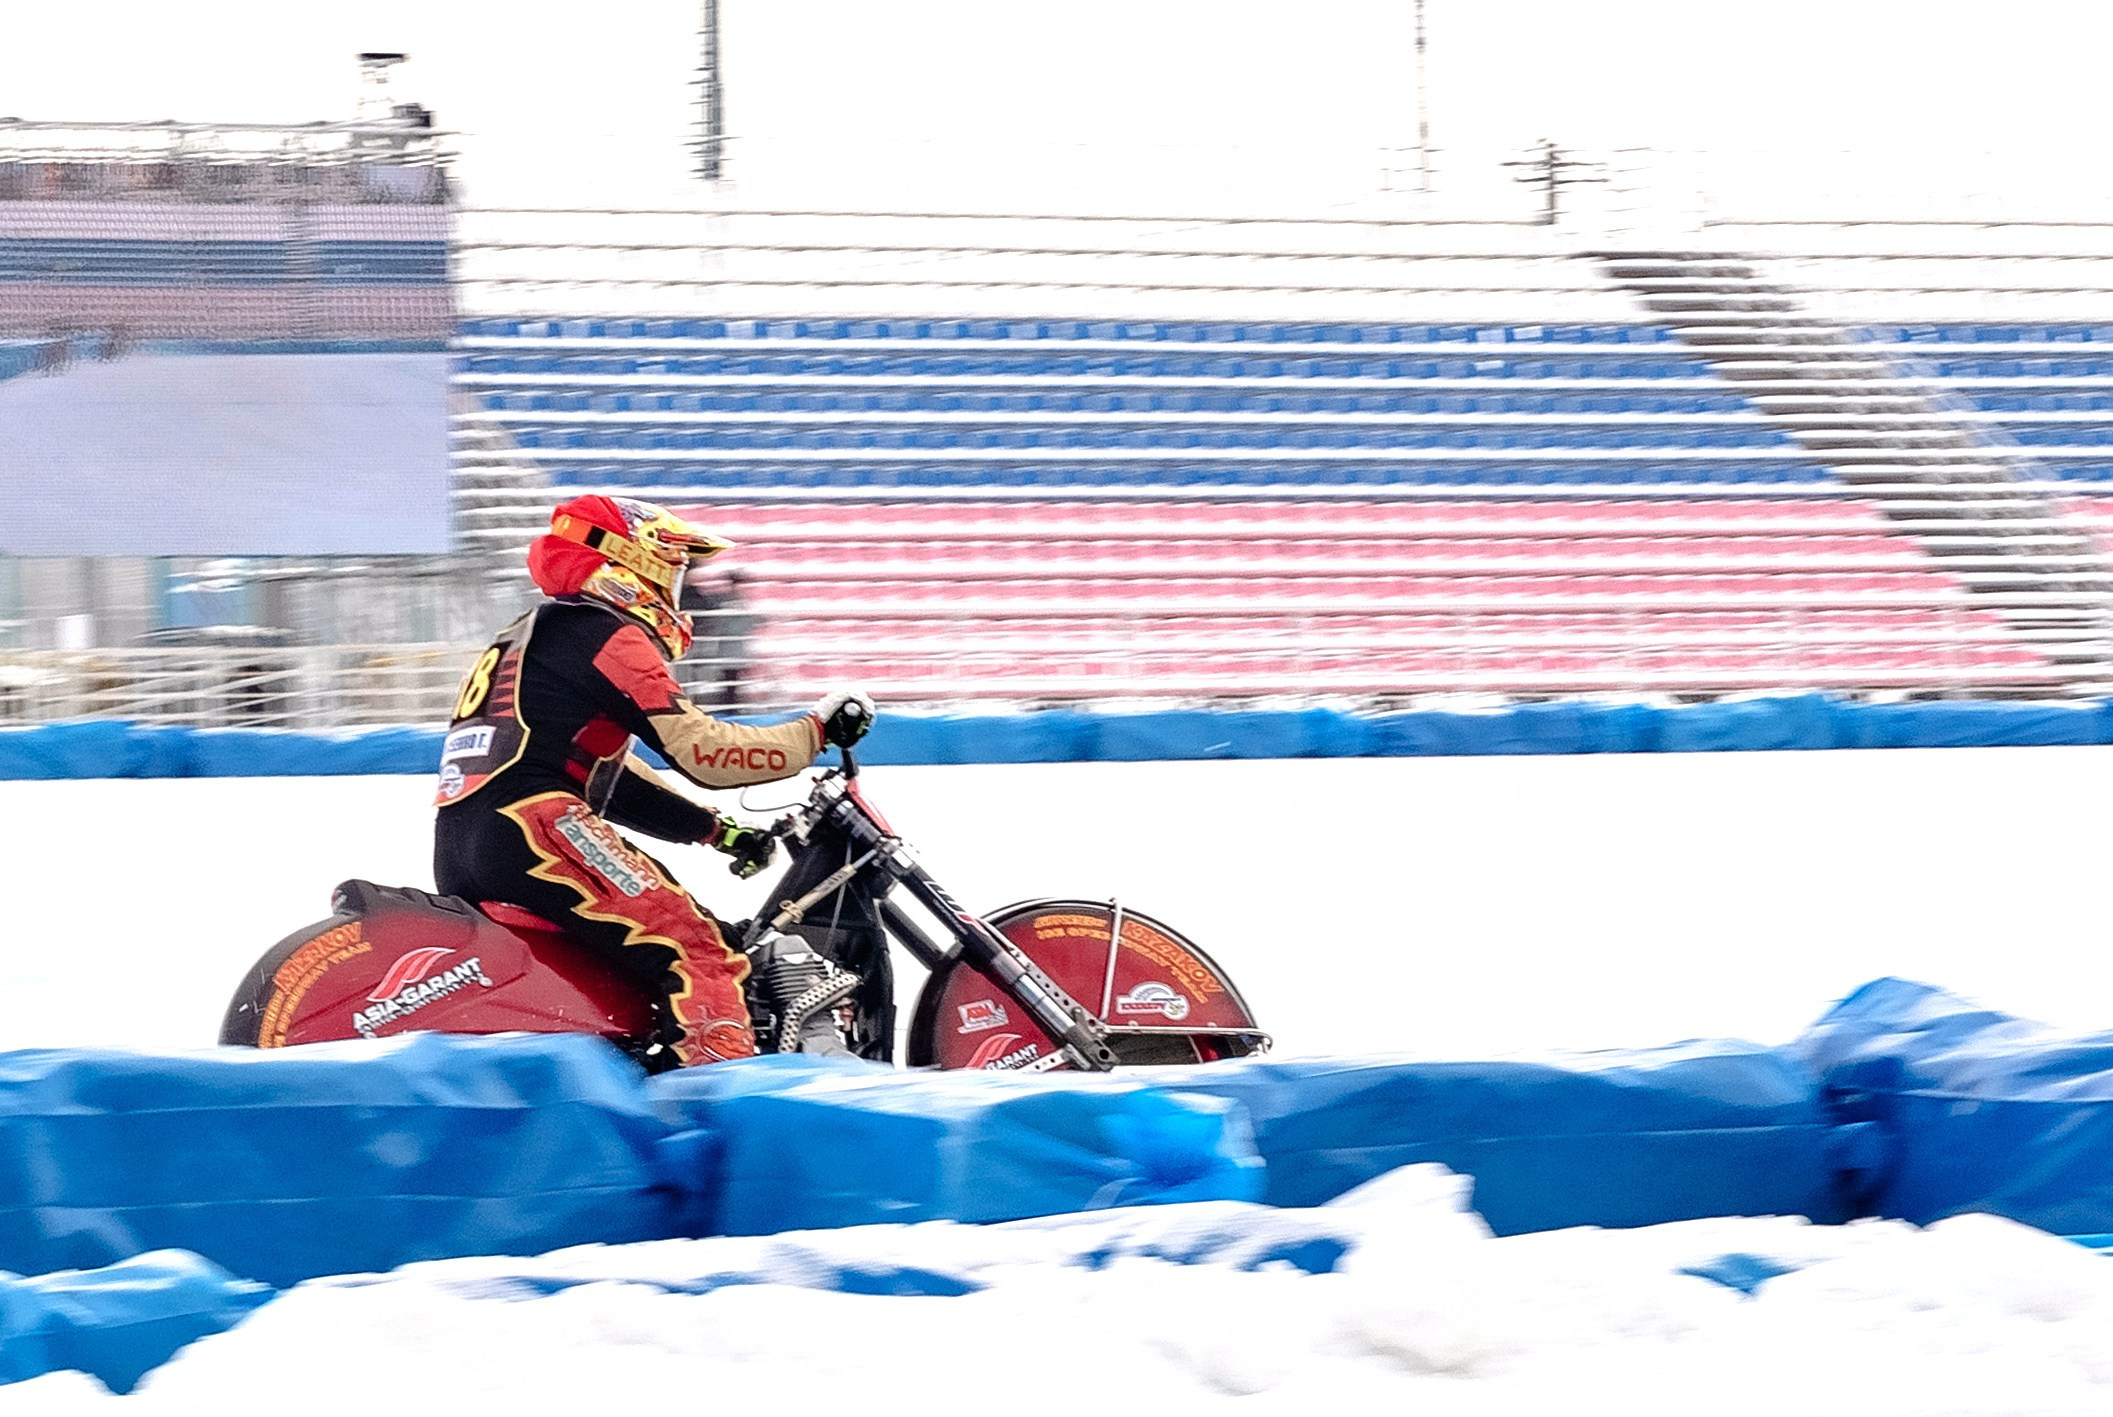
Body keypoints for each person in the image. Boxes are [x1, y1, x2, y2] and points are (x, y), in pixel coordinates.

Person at [431, 494, 875, 1067]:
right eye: (671, 569)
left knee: (664, 962)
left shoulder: (532, 632)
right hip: (536, 828)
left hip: (470, 839)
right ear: (627, 564)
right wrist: (814, 732)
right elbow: (706, 752)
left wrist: (718, 833)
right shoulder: (606, 634)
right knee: (703, 952)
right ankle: (719, 1099)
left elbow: (610, 779)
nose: (677, 589)